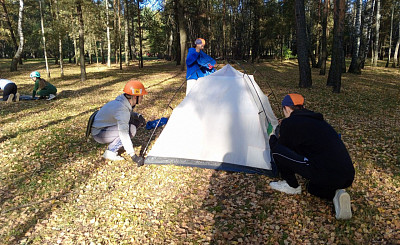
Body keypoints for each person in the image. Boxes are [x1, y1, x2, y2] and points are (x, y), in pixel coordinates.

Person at [268, 94, 355, 220]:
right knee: (311, 188)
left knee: (277, 150)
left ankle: (291, 186)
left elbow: (284, 148)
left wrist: (272, 136)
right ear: (303, 107)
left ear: (286, 108)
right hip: (347, 175)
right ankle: (337, 194)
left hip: (324, 171)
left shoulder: (290, 123)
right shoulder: (318, 121)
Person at [91, 80, 147, 162]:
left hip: (103, 128)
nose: (142, 98)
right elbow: (123, 132)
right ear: (135, 97)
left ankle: (117, 145)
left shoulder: (122, 102)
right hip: (99, 133)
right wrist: (133, 156)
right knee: (131, 130)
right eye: (141, 96)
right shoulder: (121, 109)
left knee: (135, 122)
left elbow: (125, 114)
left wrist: (137, 116)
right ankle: (110, 152)